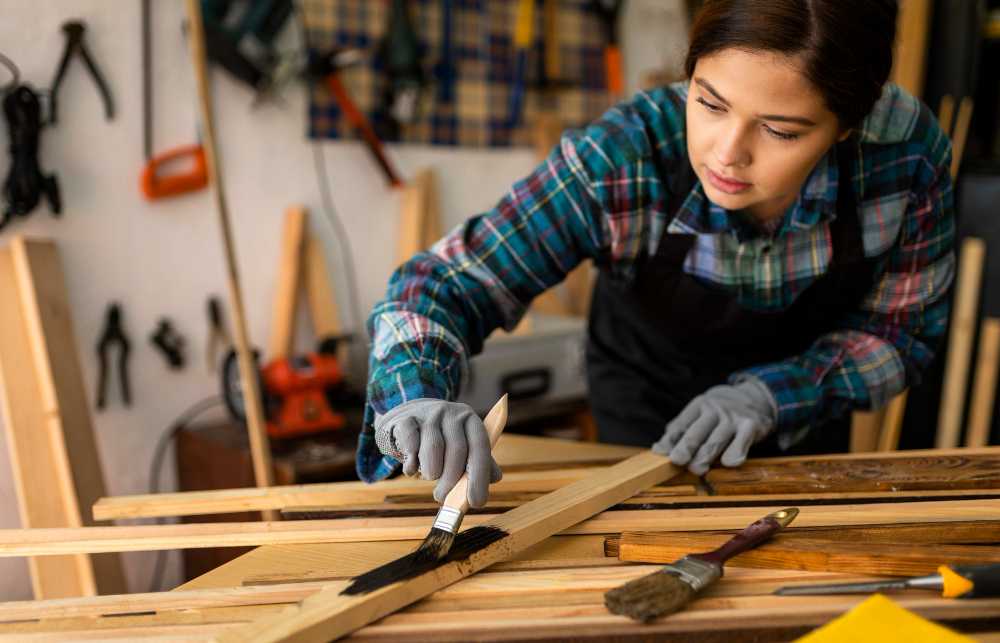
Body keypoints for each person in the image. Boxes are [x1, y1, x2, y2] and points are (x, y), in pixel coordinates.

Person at [356, 0, 955, 508]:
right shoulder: (622, 157)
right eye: (710, 103)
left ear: (847, 125)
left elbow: (902, 331)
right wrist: (418, 395)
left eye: (780, 131)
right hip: (642, 409)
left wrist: (774, 394)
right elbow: (443, 286)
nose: (727, 154)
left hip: (801, 422)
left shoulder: (902, 155)